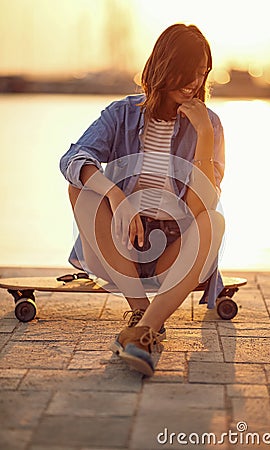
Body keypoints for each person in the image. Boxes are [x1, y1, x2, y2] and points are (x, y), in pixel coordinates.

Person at [60, 23, 225, 376]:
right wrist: (118, 197)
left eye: (201, 74)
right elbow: (74, 159)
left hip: (173, 255)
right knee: (81, 187)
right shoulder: (121, 113)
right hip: (120, 245)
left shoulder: (208, 123)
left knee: (214, 220)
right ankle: (141, 315)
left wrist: (206, 136)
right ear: (164, 66)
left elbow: (200, 207)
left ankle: (142, 330)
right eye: (186, 72)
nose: (194, 82)